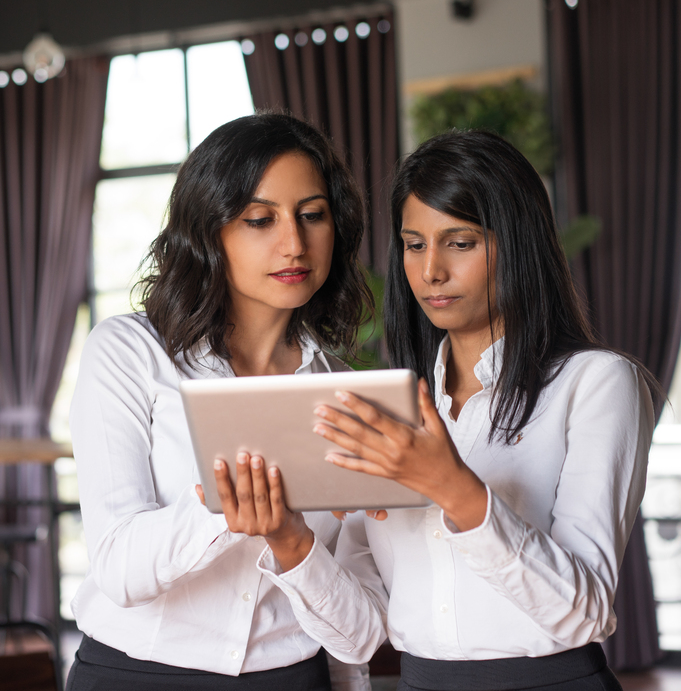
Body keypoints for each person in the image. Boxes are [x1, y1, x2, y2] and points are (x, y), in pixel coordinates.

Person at [213, 130, 656, 691]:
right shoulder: (386, 413)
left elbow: (583, 612)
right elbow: (359, 635)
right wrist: (289, 540)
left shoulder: (594, 384)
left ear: (519, 244)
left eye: (461, 242)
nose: (431, 272)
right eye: (415, 244)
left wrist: (453, 488)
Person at [67, 113, 375, 690]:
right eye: (260, 219)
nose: (294, 243)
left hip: (289, 677)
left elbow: (358, 636)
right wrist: (222, 503)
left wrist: (293, 542)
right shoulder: (130, 352)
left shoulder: (347, 395)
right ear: (209, 231)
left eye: (313, 215)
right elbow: (118, 569)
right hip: (137, 674)